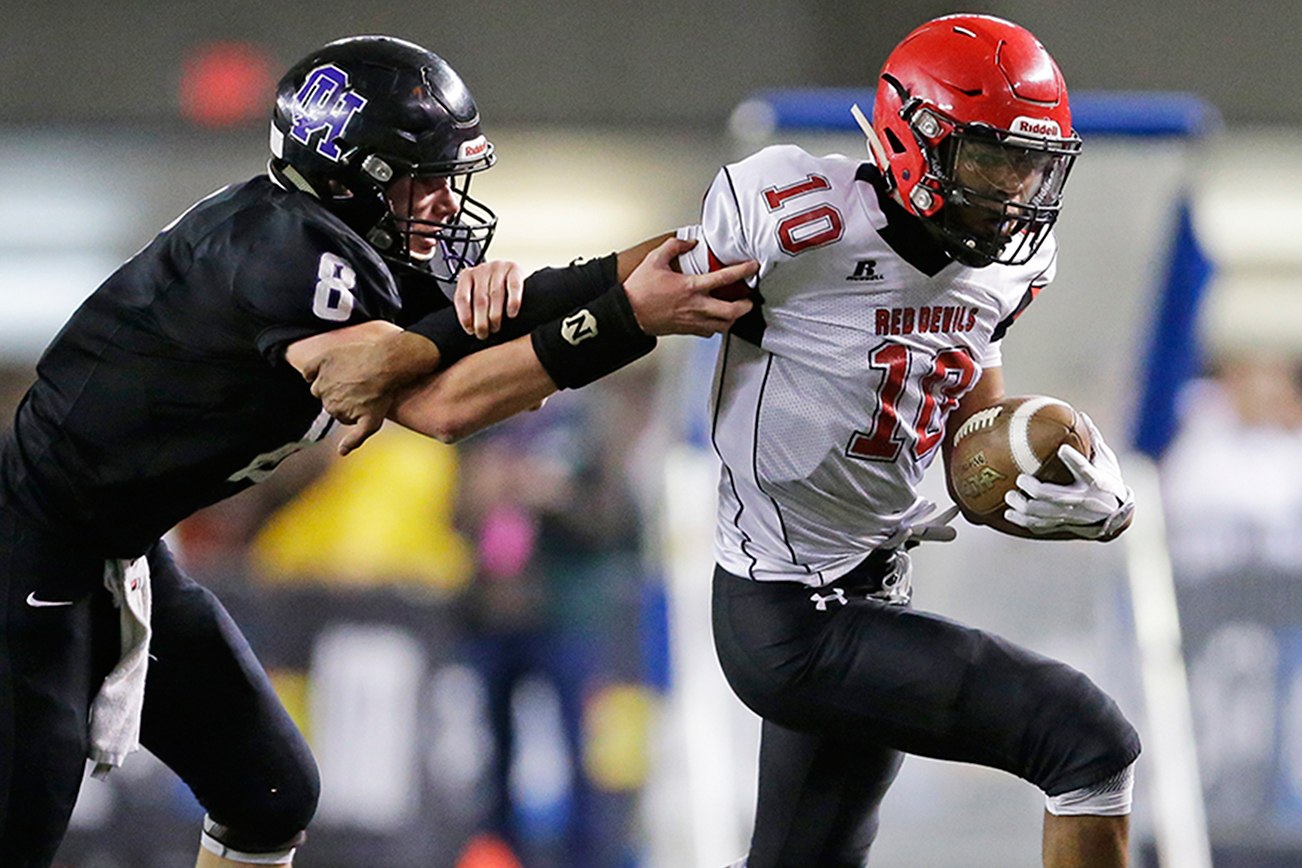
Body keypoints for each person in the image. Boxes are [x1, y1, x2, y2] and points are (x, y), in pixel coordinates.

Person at [0, 35, 753, 867]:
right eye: (419, 177)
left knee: (269, 794)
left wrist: (693, 250)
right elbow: (441, 404)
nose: (441, 200)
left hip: (118, 548)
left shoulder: (335, 244)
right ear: (348, 170)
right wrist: (629, 320)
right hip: (30, 548)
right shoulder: (287, 252)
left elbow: (519, 313)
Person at [670, 14, 1140, 868]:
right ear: (912, 135)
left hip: (870, 592)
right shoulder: (796, 215)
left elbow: (972, 447)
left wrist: (1083, 491)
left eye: (1032, 165)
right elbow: (636, 305)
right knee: (1087, 744)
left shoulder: (1007, 267)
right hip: (786, 613)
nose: (1014, 191)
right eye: (993, 159)